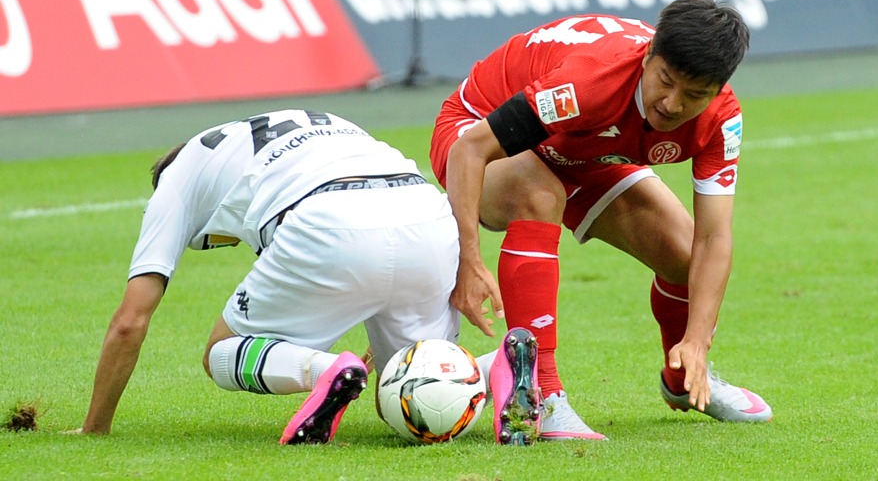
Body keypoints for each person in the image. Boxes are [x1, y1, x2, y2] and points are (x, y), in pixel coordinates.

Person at [74, 108, 538, 444]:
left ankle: (328, 369)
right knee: (406, 397)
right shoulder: (310, 122)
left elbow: (131, 319)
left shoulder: (176, 180)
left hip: (325, 219)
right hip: (426, 213)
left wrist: (94, 426)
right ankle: (495, 362)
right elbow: (379, 235)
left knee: (220, 352)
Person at [430, 0, 774, 441]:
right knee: (539, 193)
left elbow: (714, 239)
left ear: (719, 89)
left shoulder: (722, 119)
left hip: (585, 150)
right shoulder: (589, 81)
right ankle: (540, 395)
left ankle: (686, 379)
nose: (673, 104)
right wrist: (468, 261)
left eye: (695, 94)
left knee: (683, 256)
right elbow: (471, 150)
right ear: (649, 54)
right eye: (665, 81)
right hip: (474, 130)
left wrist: (697, 340)